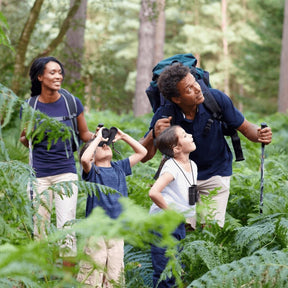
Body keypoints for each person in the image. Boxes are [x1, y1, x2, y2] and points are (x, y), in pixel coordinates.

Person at [140, 62, 272, 228]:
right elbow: (144, 157)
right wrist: (154, 134)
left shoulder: (215, 99)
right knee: (184, 229)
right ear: (176, 98)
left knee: (212, 231)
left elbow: (246, 128)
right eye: (189, 88)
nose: (197, 89)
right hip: (183, 178)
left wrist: (260, 134)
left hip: (216, 173)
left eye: (195, 82)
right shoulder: (166, 113)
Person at [19, 56, 95, 260]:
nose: (58, 76)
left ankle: (67, 278)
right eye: (52, 72)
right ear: (40, 77)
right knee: (39, 226)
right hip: (38, 175)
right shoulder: (29, 106)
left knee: (66, 225)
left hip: (66, 173)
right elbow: (25, 139)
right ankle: (41, 273)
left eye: (60, 72)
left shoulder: (72, 102)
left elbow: (84, 134)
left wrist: (98, 137)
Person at [76, 126, 147, 287]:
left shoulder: (119, 168)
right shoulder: (93, 171)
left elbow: (142, 153)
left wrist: (123, 136)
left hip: (117, 230)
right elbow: (84, 160)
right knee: (92, 271)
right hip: (96, 231)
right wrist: (97, 139)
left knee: (115, 273)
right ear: (94, 156)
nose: (104, 145)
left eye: (105, 143)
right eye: (100, 146)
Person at [149, 125, 197, 288]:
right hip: (163, 223)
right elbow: (154, 192)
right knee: (165, 272)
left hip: (178, 223)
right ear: (176, 148)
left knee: (177, 269)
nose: (190, 135)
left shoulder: (193, 165)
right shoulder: (171, 167)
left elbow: (190, 192)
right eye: (184, 136)